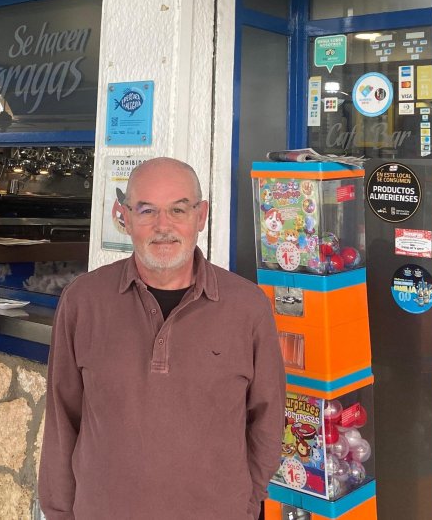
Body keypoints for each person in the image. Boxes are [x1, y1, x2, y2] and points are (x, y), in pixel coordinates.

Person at [39, 157, 285, 519]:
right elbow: (62, 420)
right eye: (146, 210)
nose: (163, 226)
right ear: (124, 217)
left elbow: (268, 419)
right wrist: (60, 512)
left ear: (201, 216)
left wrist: (245, 504)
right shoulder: (83, 300)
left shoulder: (248, 307)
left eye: (178, 210)